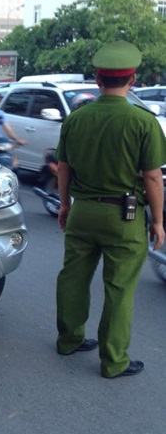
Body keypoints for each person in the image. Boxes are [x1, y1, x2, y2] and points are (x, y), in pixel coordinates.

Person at [55, 40, 166, 379]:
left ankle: (69, 340)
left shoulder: (76, 118)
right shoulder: (144, 121)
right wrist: (158, 221)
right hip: (124, 217)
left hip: (83, 211)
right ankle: (113, 360)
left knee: (73, 278)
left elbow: (63, 167)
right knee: (119, 288)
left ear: (97, 80)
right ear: (132, 80)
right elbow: (152, 177)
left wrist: (64, 205)